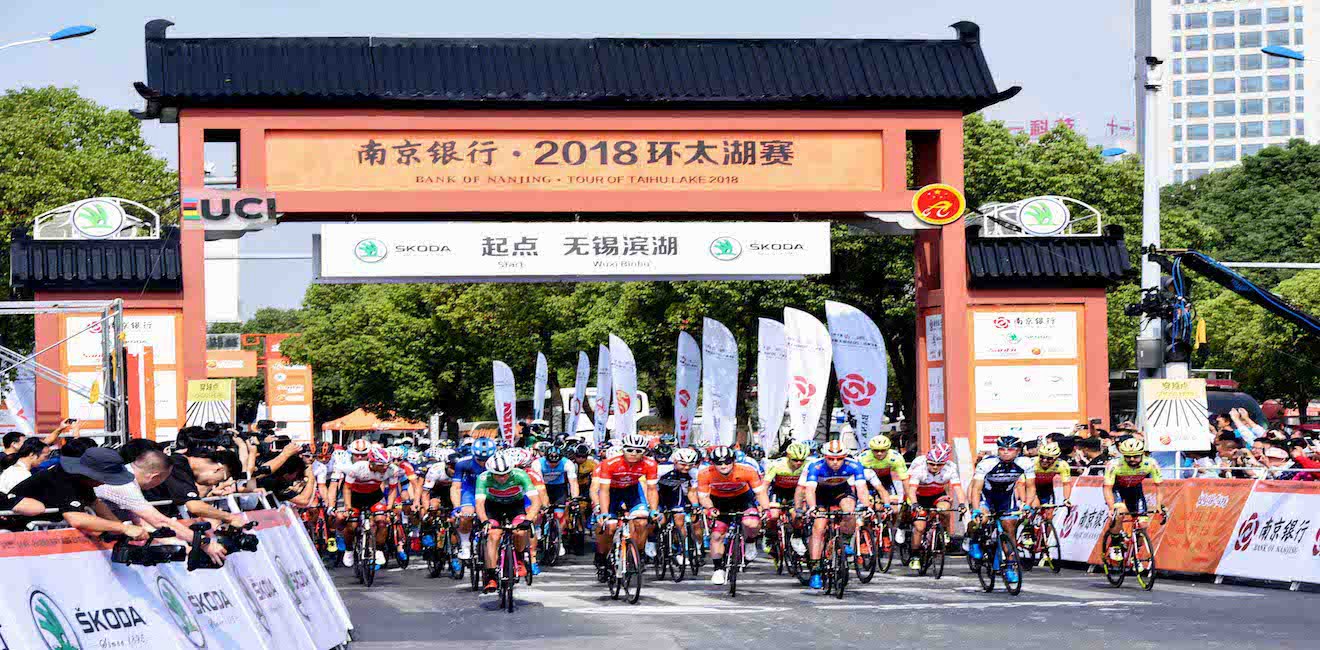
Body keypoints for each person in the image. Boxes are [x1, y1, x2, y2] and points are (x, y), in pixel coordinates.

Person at [93, 449, 229, 566]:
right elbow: (160, 521)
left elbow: (139, 520)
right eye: (163, 480)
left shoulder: (123, 474)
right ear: (155, 477)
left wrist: (175, 542)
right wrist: (203, 542)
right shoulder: (125, 485)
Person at [6, 447, 148, 540]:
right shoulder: (62, 479)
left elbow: (96, 504)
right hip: (16, 533)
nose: (104, 483)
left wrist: (122, 531)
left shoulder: (81, 479)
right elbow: (76, 518)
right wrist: (124, 528)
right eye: (104, 478)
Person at [696, 445, 772, 586]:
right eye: (718, 463)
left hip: (742, 498)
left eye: (727, 462)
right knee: (717, 535)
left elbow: (760, 493)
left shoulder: (747, 470)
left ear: (734, 461)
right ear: (712, 463)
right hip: (719, 501)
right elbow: (703, 497)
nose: (723, 466)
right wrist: (710, 508)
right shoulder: (704, 473)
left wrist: (766, 508)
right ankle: (718, 569)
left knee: (751, 523)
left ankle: (750, 541)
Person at [802, 440, 871, 589]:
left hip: (841, 491)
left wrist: (866, 506)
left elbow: (861, 488)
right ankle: (815, 571)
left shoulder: (854, 465)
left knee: (849, 510)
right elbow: (810, 490)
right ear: (824, 457)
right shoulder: (815, 466)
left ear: (845, 457)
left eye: (839, 459)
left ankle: (844, 542)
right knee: (819, 527)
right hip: (820, 494)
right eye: (831, 458)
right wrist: (813, 507)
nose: (835, 462)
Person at [591, 433, 659, 578]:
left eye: (638, 451)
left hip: (632, 491)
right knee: (610, 526)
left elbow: (652, 489)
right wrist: (604, 512)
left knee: (642, 521)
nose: (634, 453)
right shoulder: (609, 463)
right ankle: (602, 557)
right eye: (630, 450)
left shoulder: (650, 464)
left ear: (644, 452)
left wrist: (653, 510)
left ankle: (638, 554)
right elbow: (603, 490)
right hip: (612, 492)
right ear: (623, 449)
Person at [967, 436, 1036, 574]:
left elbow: (1031, 487)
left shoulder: (1025, 463)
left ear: (1018, 451)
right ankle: (974, 540)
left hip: (1006, 496)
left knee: (1009, 528)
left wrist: (1027, 505)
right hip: (986, 495)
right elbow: (976, 489)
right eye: (1002, 449)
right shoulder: (987, 463)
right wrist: (976, 510)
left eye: (1010, 449)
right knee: (982, 519)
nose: (1005, 452)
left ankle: (1010, 566)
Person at [475, 452, 540, 592]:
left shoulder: (521, 475)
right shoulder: (483, 478)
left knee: (520, 532)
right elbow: (479, 504)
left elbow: (536, 501)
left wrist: (528, 519)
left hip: (515, 506)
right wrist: (484, 521)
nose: (502, 478)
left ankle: (519, 559)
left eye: (505, 474)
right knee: (493, 535)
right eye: (497, 475)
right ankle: (491, 576)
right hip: (493, 507)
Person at [1102, 437, 1163, 561]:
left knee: (1143, 523)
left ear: (1142, 454)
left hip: (1135, 490)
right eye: (1128, 457)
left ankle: (1135, 554)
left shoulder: (1151, 463)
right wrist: (1111, 508)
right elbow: (1107, 488)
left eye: (1135, 456)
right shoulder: (1114, 464)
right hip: (1117, 489)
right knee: (1120, 512)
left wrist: (1159, 505)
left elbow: (1159, 487)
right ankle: (1115, 544)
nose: (1132, 459)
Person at [904, 443, 964, 569]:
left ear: (944, 463)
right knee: (919, 528)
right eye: (931, 464)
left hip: (937, 495)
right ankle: (915, 555)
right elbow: (911, 490)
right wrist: (914, 504)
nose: (935, 467)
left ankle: (944, 532)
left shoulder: (950, 469)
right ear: (927, 461)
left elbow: (958, 489)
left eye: (939, 464)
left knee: (944, 509)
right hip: (920, 497)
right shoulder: (919, 469)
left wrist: (962, 504)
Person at [339, 447, 400, 567]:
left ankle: (379, 549)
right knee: (352, 526)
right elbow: (347, 488)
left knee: (382, 521)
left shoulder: (393, 470)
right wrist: (348, 507)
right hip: (355, 496)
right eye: (381, 465)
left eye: (387, 465)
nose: (385, 468)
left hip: (374, 496)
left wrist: (389, 507)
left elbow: (393, 489)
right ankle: (349, 549)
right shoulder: (357, 468)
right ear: (371, 462)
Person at [450, 438, 498, 562]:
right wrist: (457, 507)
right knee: (466, 514)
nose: (483, 463)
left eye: (486, 459)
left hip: (490, 491)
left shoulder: (498, 462)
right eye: (480, 460)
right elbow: (456, 487)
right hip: (470, 491)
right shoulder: (463, 463)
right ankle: (465, 545)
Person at [534, 446, 579, 557]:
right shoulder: (537, 464)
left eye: (556, 463)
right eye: (550, 463)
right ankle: (538, 530)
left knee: (559, 514)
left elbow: (573, 482)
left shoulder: (567, 463)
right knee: (540, 511)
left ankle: (558, 538)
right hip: (542, 487)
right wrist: (543, 504)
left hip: (559, 488)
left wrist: (575, 498)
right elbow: (538, 485)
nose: (553, 465)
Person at [857, 435, 908, 506]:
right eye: (876, 450)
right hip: (868, 482)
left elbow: (905, 479)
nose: (879, 453)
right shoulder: (863, 458)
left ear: (888, 449)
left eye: (883, 450)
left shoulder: (895, 457)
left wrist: (909, 498)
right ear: (871, 449)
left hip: (886, 480)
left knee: (894, 505)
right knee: (867, 505)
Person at [1030, 441, 1073, 506]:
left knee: (1049, 510)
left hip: (1047, 487)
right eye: (1042, 456)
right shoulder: (1031, 463)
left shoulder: (1062, 465)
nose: (1044, 460)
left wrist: (1066, 499)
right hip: (1031, 486)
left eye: (1049, 458)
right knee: (1035, 505)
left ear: (1056, 458)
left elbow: (1066, 484)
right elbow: (1021, 483)